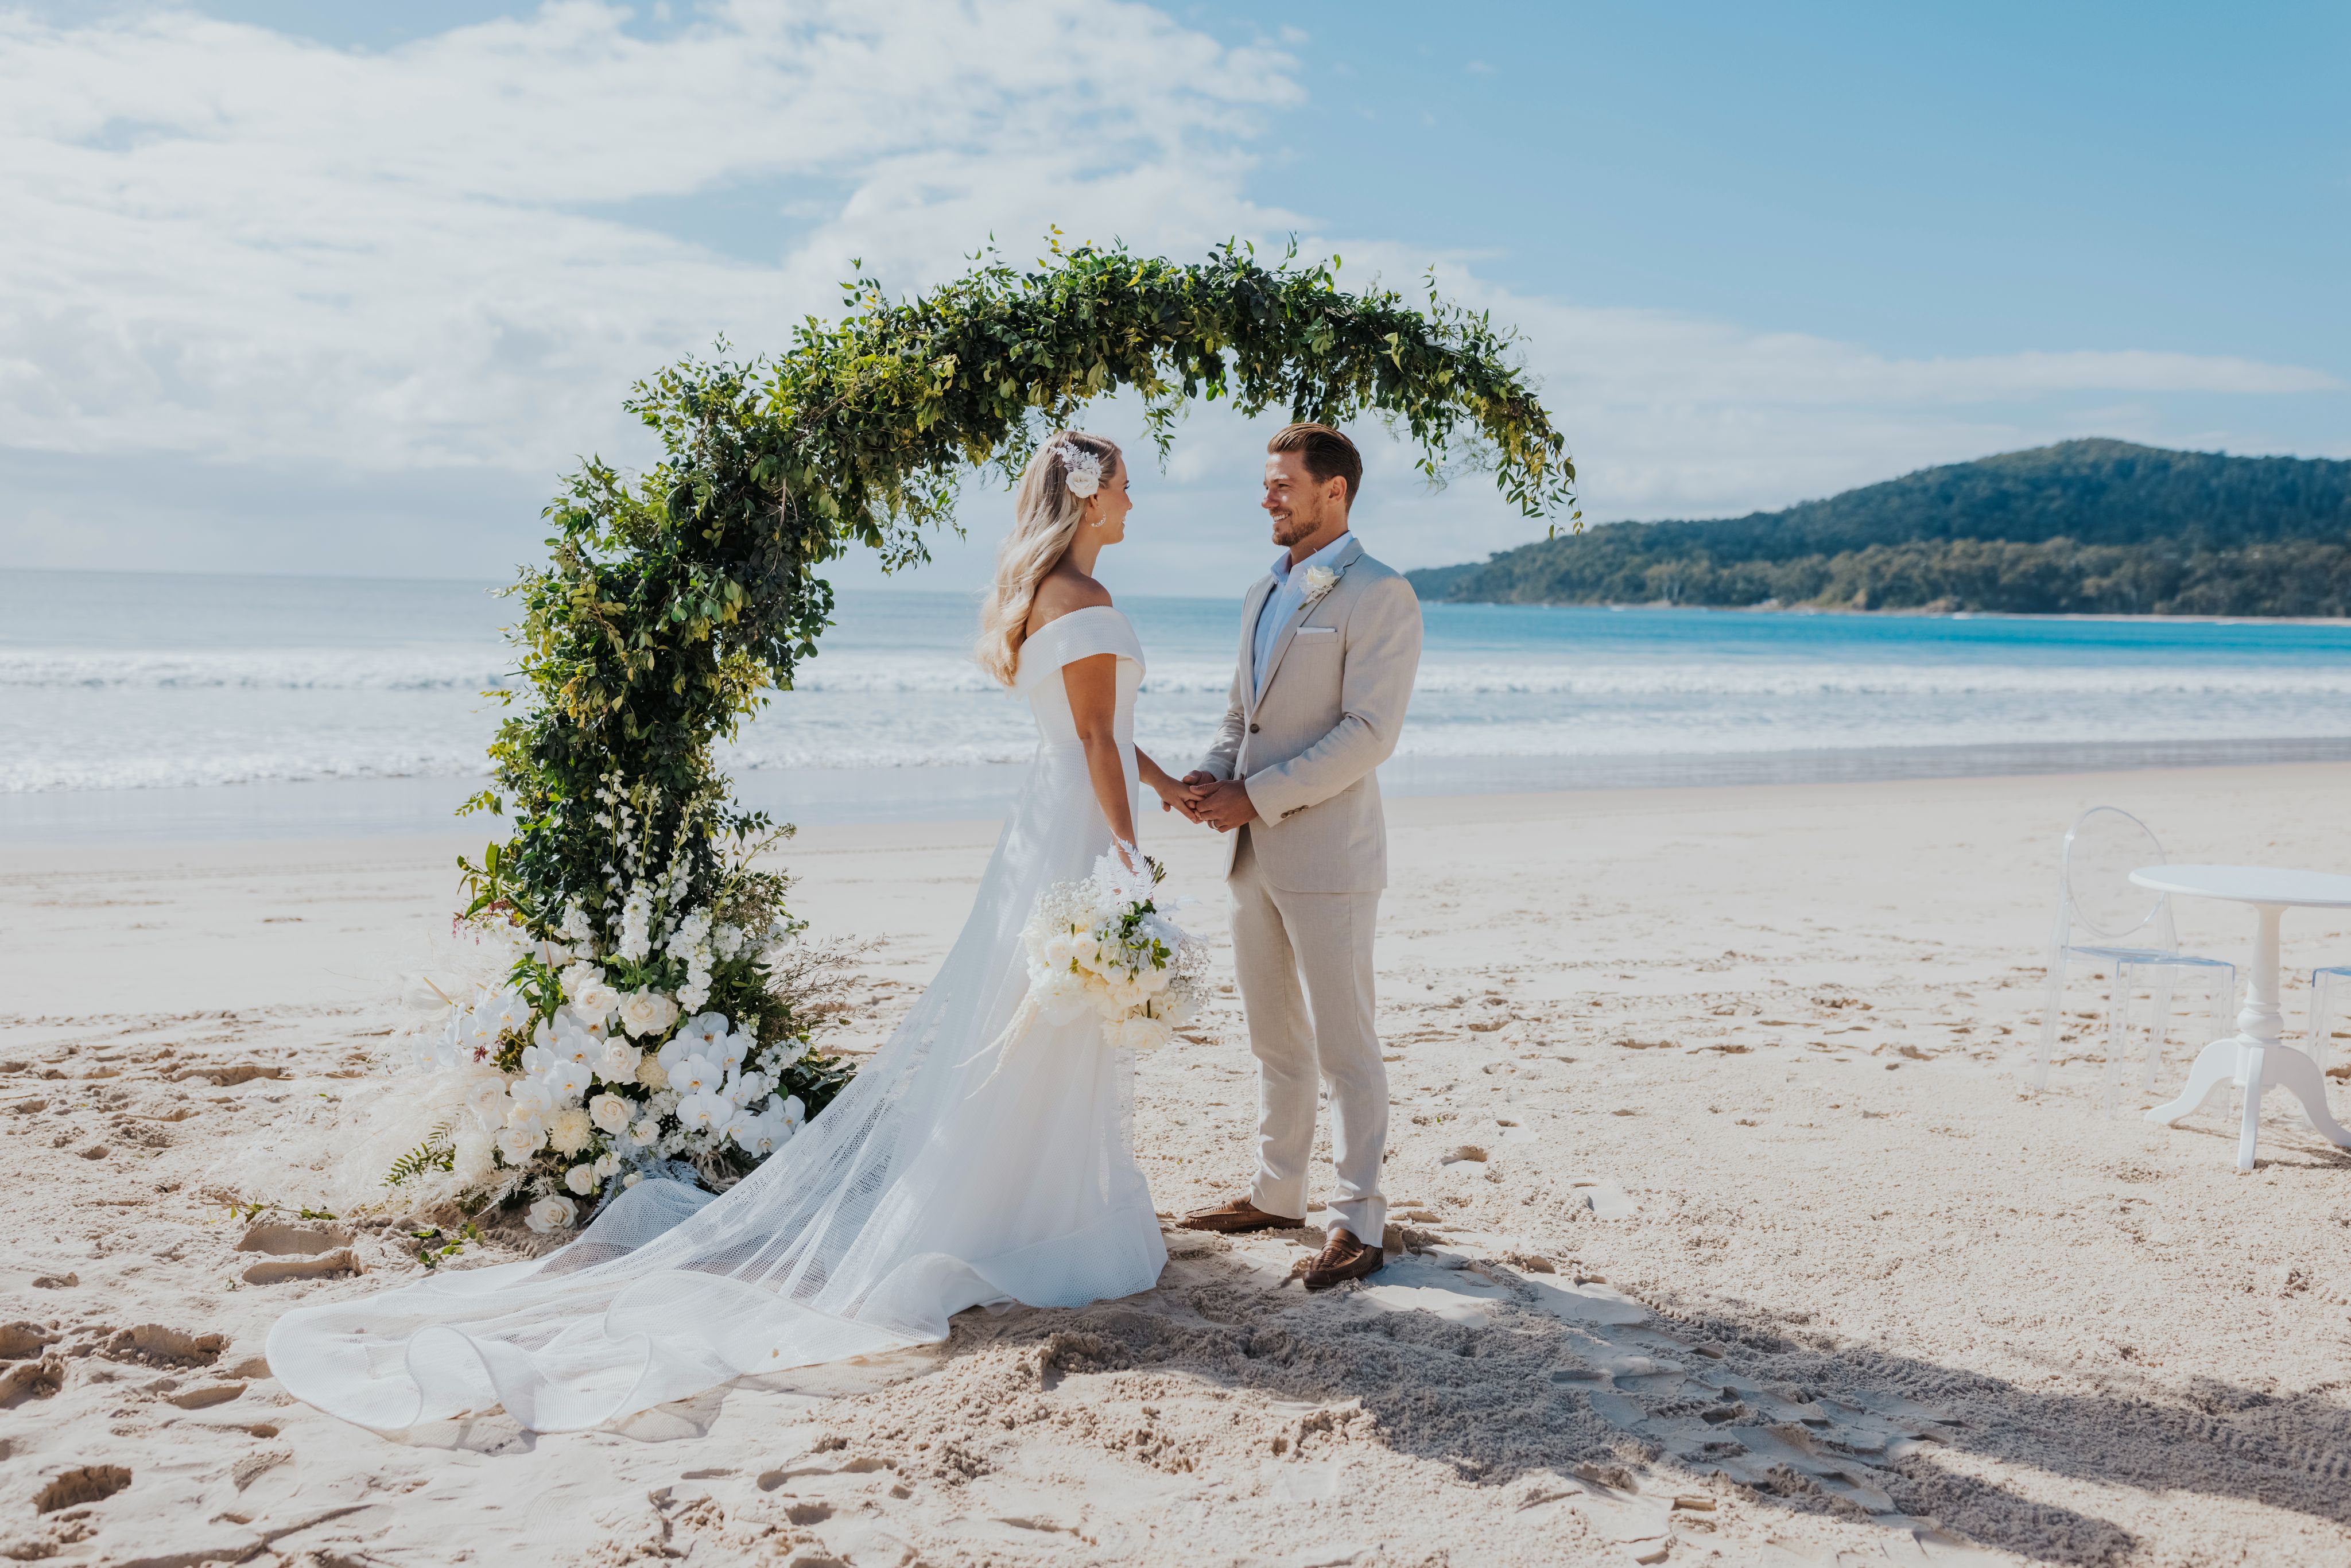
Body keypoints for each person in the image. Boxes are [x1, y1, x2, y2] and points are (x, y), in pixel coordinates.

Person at [268, 432, 1199, 1434]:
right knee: (1045, 1019)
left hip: (1042, 821)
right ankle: (1035, 1217)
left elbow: (1097, 733)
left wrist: (1162, 789)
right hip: (1071, 827)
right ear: (1088, 500)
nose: (1134, 506)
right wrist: (1127, 851)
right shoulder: (1090, 604)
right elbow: (1096, 737)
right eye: (1127, 491)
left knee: (1028, 1013)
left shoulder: (1042, 600)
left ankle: (1023, 1203)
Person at [1171, 422, 1424, 1290]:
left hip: (1329, 856)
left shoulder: (1381, 594)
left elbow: (1368, 735)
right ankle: (1277, 1193)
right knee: (1274, 1037)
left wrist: (1259, 795)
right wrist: (1210, 777)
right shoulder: (1260, 591)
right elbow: (1240, 718)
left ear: (1334, 493)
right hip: (1252, 857)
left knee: (1347, 1042)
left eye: (1284, 484)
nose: (1268, 497)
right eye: (1267, 484)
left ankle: (1359, 1221)